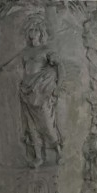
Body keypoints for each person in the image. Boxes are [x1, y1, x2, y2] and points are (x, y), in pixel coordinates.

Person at [19, 14, 62, 168]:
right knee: (31, 125)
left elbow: (59, 67)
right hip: (26, 90)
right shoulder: (24, 52)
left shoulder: (46, 50)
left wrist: (57, 86)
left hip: (41, 91)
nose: (32, 33)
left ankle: (58, 151)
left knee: (46, 122)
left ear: (40, 32)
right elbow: (22, 71)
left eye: (35, 30)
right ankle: (38, 157)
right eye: (30, 30)